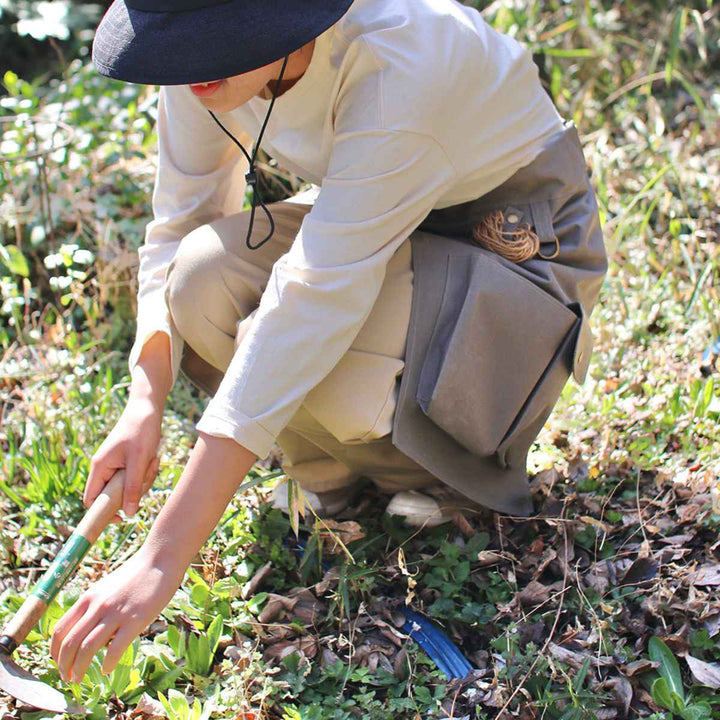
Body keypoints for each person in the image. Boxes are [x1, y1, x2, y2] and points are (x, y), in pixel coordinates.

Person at [49, 0, 607, 685]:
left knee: (308, 345)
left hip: (516, 253)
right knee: (201, 279)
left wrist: (163, 557)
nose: (184, 60)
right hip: (390, 233)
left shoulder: (398, 62)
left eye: (206, 34)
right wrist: (145, 397)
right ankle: (334, 486)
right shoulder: (202, 65)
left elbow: (313, 300)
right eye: (174, 37)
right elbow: (179, 224)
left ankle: (441, 477)